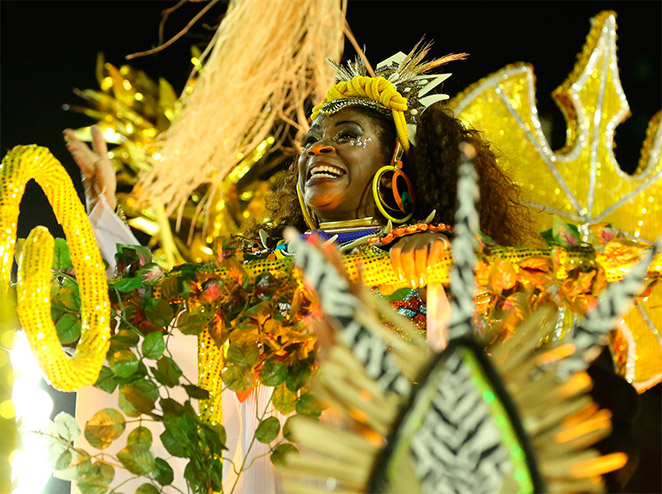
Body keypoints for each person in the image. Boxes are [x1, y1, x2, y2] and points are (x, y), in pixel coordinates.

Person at [63, 46, 533, 493]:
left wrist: (443, 258)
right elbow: (167, 313)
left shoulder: (427, 257)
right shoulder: (260, 269)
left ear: (397, 160)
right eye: (312, 140)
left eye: (347, 135)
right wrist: (105, 216)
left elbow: (490, 351)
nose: (319, 149)